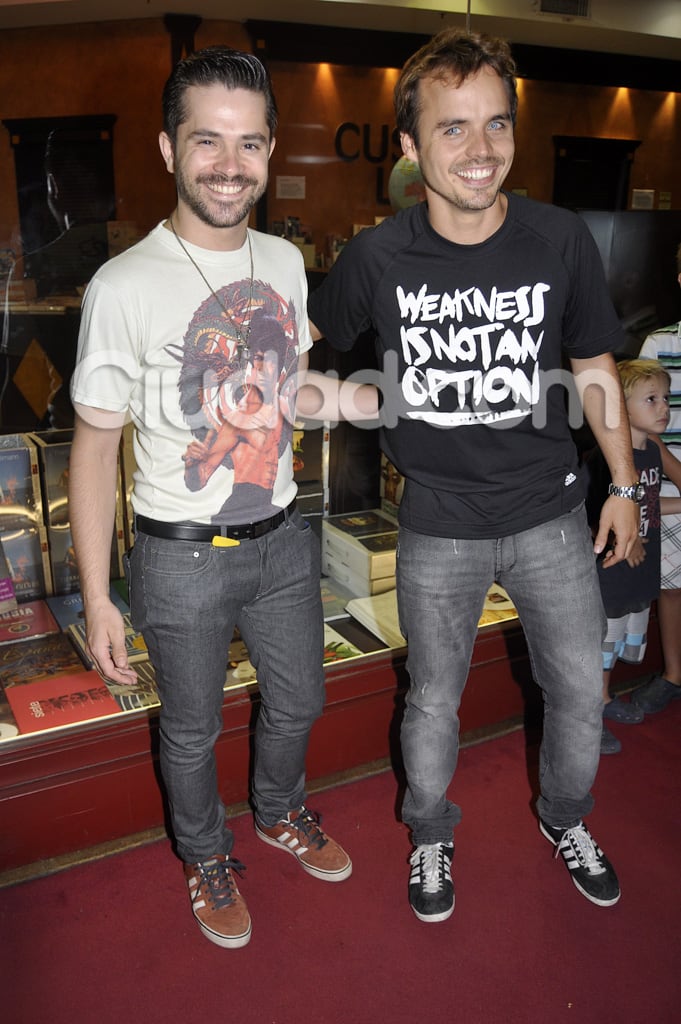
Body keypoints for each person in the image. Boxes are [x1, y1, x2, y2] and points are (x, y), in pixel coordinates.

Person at [308, 27, 641, 922]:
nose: (480, 152)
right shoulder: (375, 258)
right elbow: (323, 346)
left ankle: (564, 816)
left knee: (580, 686)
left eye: (495, 126)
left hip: (549, 514)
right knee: (433, 702)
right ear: (410, 148)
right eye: (451, 130)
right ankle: (429, 833)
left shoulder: (559, 238)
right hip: (437, 522)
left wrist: (625, 485)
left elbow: (597, 370)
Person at [67, 46, 363, 951]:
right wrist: (97, 595)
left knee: (301, 701)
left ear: (270, 151)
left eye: (248, 144)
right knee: (190, 733)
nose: (229, 165)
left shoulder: (281, 259)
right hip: (178, 554)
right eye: (207, 142)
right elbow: (94, 447)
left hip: (282, 538)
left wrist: (359, 399)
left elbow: (293, 388)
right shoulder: (120, 285)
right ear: (167, 149)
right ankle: (204, 854)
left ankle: (278, 810)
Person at [585, 359, 681, 754]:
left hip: (640, 569)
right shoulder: (607, 458)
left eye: (666, 398)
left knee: (620, 636)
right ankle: (591, 712)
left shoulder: (653, 451)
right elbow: (592, 513)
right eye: (651, 399)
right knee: (601, 641)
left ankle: (604, 698)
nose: (664, 408)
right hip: (613, 567)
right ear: (621, 408)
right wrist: (630, 538)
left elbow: (653, 503)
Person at [633, 243, 681, 714]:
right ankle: (672, 672)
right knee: (671, 587)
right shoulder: (660, 344)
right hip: (664, 485)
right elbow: (646, 427)